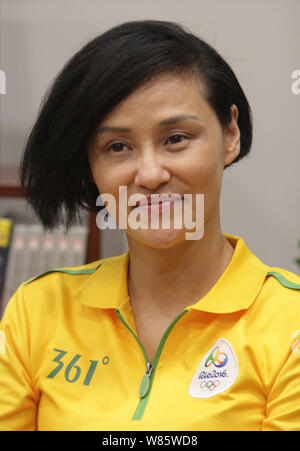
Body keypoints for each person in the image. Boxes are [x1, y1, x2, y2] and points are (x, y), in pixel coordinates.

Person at [0, 20, 299, 432]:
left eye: (176, 138)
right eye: (117, 147)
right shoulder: (36, 310)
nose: (150, 173)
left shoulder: (290, 323)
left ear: (230, 133)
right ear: (90, 165)